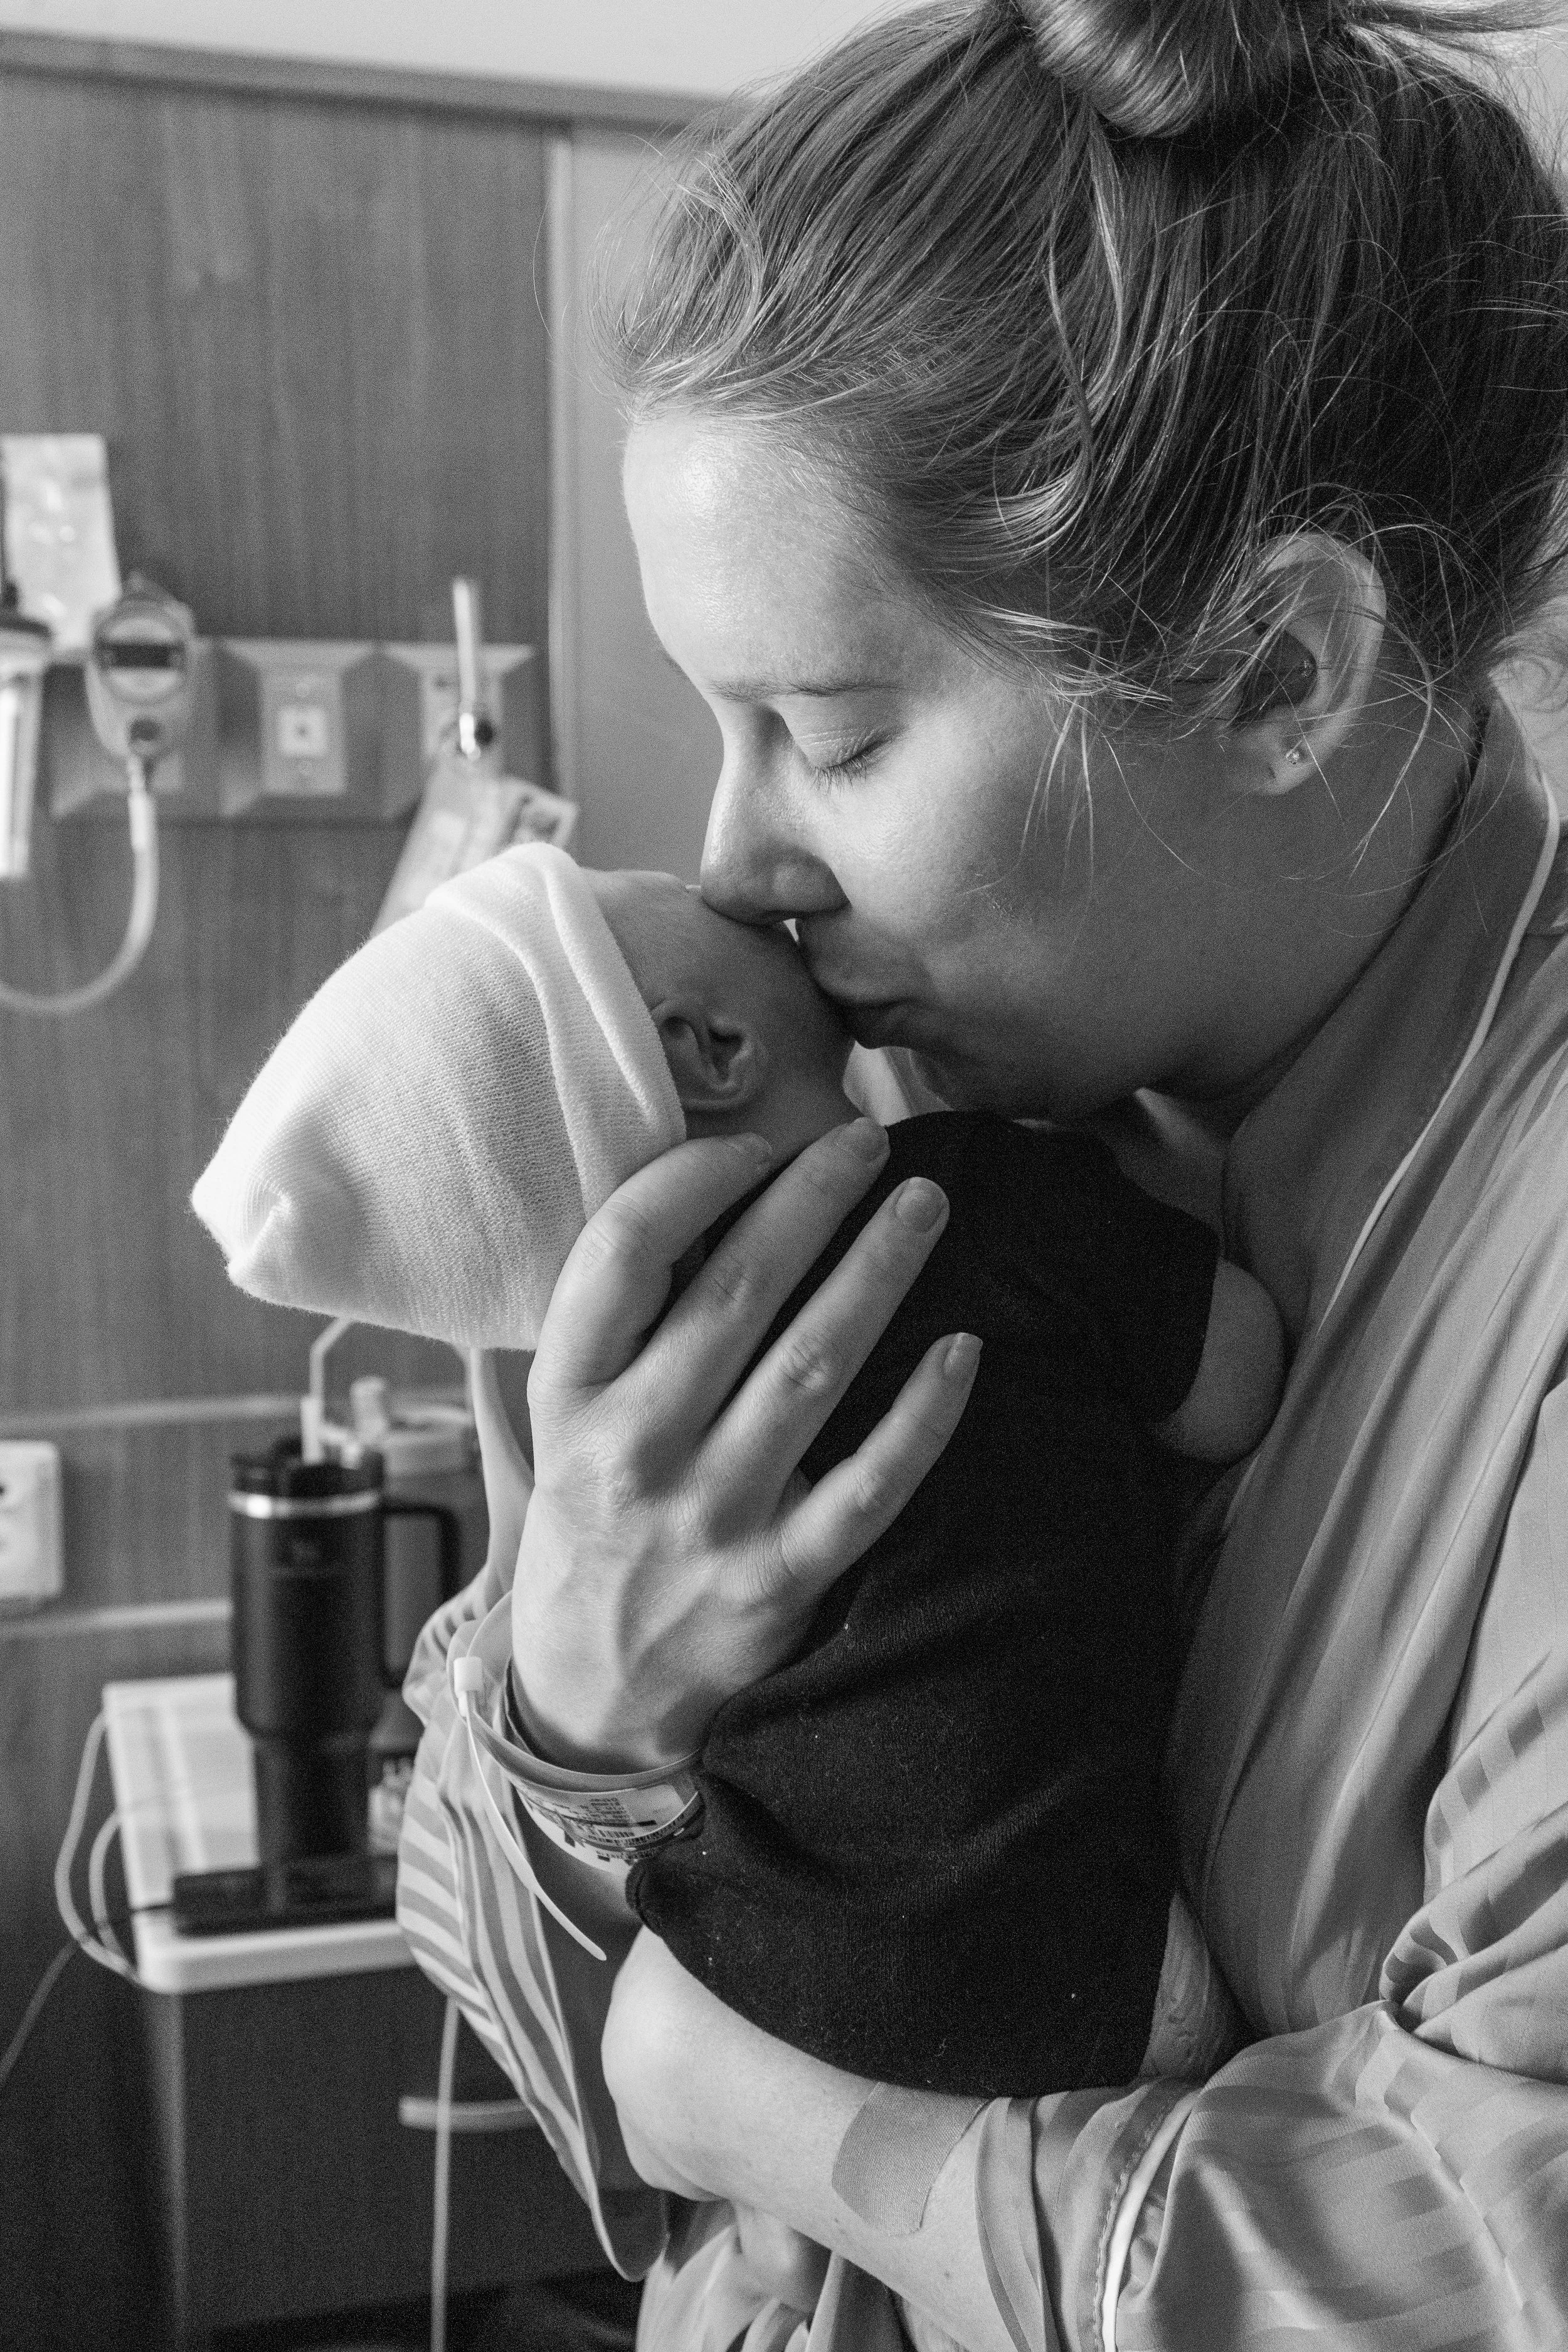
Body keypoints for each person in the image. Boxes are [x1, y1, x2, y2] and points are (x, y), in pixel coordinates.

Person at [395, 0, 1568, 2345]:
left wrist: (809, 2141)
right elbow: (524, 2004)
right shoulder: (886, 1130)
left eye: (824, 735)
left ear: (1275, 675)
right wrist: (575, 1711)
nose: (738, 862)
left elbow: (1499, 2240)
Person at [191, 840, 1279, 2100]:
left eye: (833, 740)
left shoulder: (586, 1416)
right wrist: (577, 1738)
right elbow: (1236, 1382)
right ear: (707, 1046)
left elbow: (614, 2057)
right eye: (642, 888)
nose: (724, 862)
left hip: (786, 1992)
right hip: (1102, 1969)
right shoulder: (969, 1198)